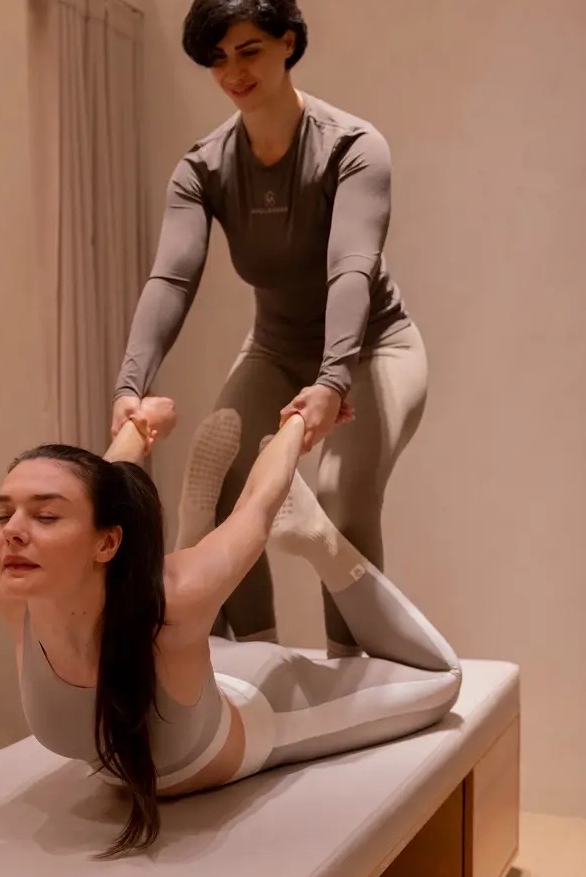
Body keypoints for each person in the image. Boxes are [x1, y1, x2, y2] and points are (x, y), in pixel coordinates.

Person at [0, 396, 461, 859]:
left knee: (442, 680)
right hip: (192, 660)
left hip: (255, 703)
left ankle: (316, 537)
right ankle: (195, 527)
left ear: (107, 543)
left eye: (44, 516)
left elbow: (255, 506)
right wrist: (141, 424)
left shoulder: (176, 600)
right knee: (178, 600)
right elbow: (103, 492)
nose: (12, 530)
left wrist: (299, 421)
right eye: (2, 513)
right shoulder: (17, 594)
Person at [110, 0, 428, 658]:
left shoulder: (352, 147)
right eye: (217, 59)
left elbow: (350, 267)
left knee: (338, 495)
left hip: (373, 351)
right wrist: (130, 387)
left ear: (288, 42)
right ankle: (257, 659)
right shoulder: (203, 168)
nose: (233, 72)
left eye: (249, 50)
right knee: (218, 475)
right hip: (275, 349)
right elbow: (171, 279)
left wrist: (333, 380)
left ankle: (355, 669)